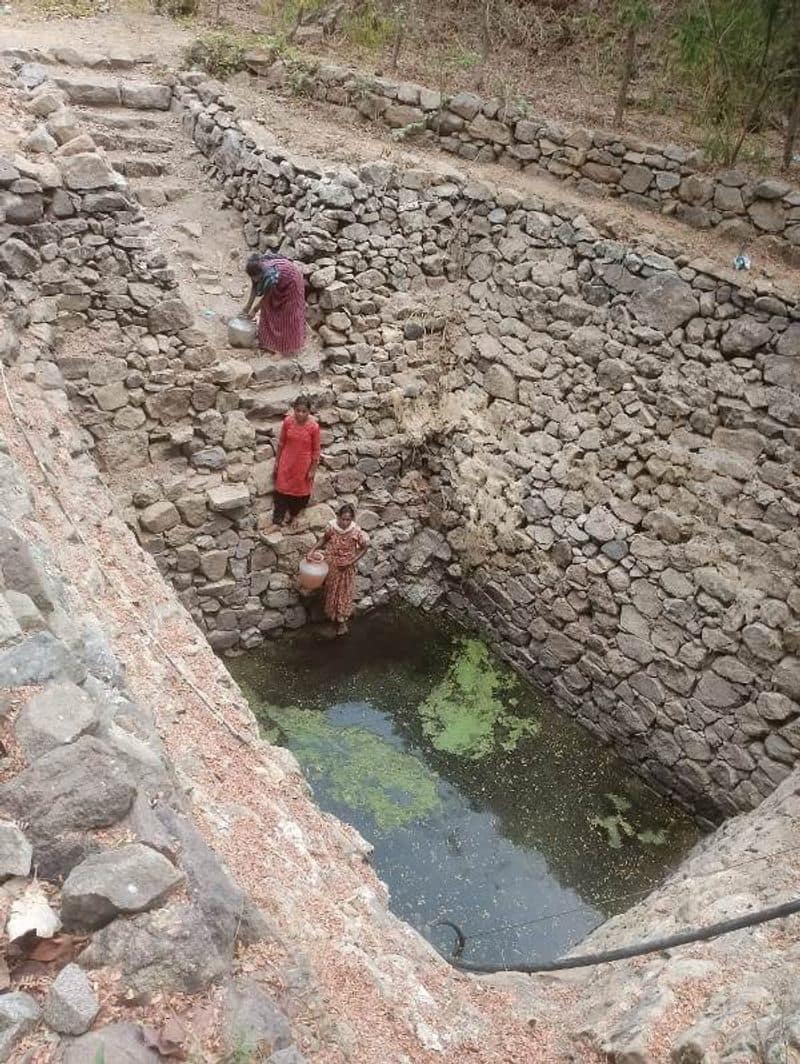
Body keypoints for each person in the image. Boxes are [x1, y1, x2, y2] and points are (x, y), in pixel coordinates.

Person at [307, 503, 370, 635]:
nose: (345, 522)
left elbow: (364, 547)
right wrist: (312, 550)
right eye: (343, 519)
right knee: (331, 591)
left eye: (348, 519)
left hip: (346, 568)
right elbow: (324, 539)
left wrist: (350, 562)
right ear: (338, 517)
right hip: (332, 565)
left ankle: (342, 623)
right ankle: (332, 619)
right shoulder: (332, 527)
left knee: (343, 593)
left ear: (351, 519)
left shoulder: (356, 531)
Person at [262, 395, 321, 535]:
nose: (300, 414)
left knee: (301, 493)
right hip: (287, 461)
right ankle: (277, 522)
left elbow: (316, 450)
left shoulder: (314, 427)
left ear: (309, 411)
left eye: (304, 411)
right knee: (281, 491)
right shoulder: (288, 422)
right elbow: (281, 443)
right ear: (294, 410)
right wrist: (277, 461)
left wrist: (313, 468)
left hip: (303, 464)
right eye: (298, 410)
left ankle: (294, 516)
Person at [241, 251, 306, 356]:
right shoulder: (257, 268)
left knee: (287, 315)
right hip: (279, 279)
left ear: (259, 275)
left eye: (255, 278)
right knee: (268, 310)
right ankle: (268, 341)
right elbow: (254, 286)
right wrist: (246, 307)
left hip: (292, 282)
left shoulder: (269, 275)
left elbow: (266, 298)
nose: (254, 280)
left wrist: (254, 310)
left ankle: (285, 348)